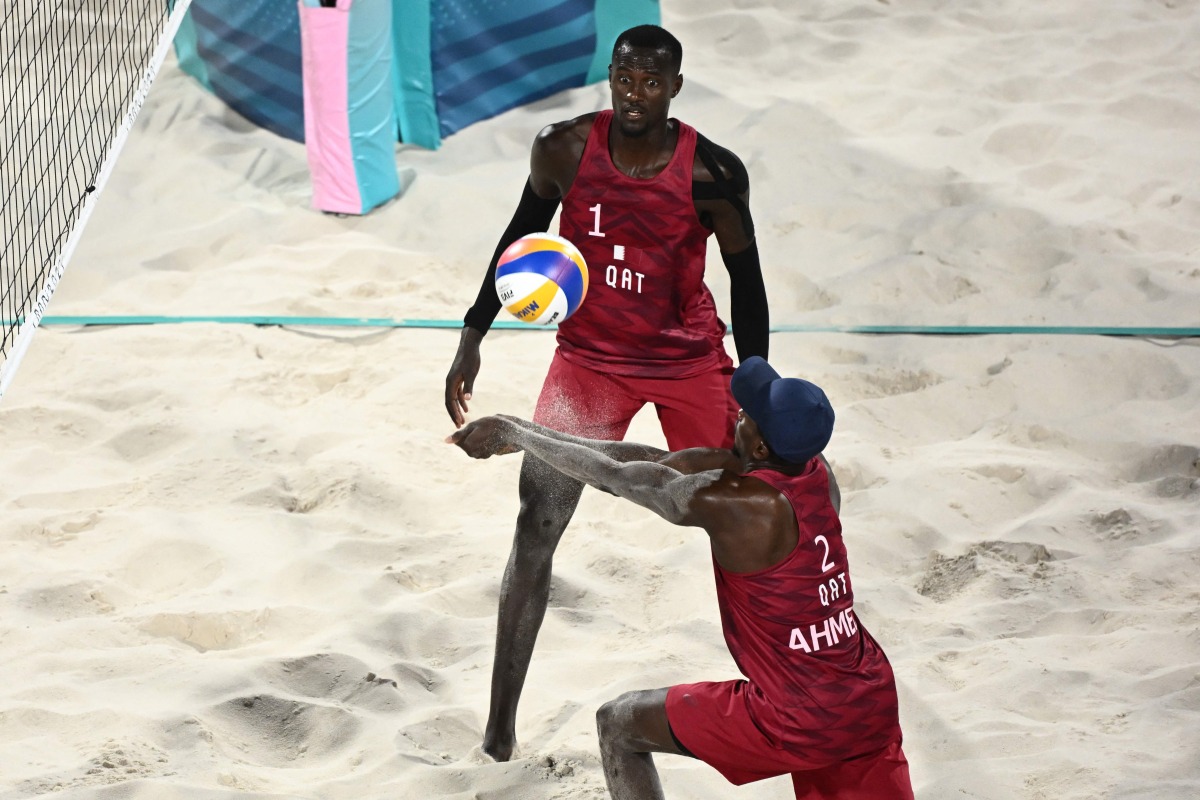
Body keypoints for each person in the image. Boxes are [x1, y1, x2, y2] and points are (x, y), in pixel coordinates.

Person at [443, 24, 770, 761]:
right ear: (612, 77)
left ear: (675, 89)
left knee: (754, 510)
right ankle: (498, 731)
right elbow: (519, 232)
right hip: (589, 357)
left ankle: (780, 681)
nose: (634, 94)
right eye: (624, 78)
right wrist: (474, 330)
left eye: (651, 82)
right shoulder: (561, 149)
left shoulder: (712, 175)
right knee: (535, 523)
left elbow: (748, 288)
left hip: (687, 358)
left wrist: (756, 385)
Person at [448, 357, 913, 799]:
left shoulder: (738, 505)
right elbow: (651, 460)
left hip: (798, 715)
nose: (738, 415)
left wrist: (517, 434)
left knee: (619, 725)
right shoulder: (813, 470)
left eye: (747, 415)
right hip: (868, 699)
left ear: (761, 447)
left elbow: (621, 478)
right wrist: (525, 431)